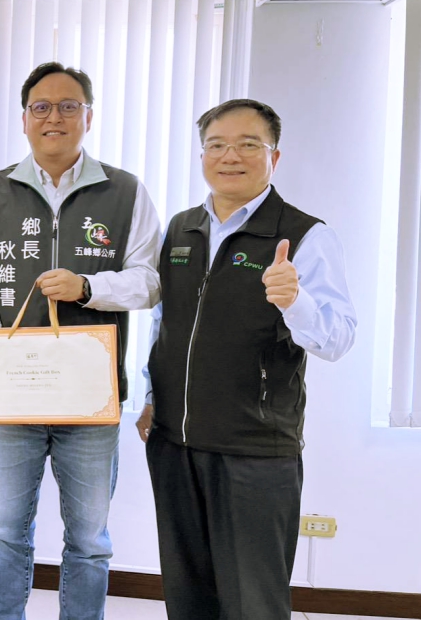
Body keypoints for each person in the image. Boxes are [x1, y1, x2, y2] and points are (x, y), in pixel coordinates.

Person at [137, 99, 357, 619]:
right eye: (216, 144)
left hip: (254, 452)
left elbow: (337, 338)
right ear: (202, 155)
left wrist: (294, 300)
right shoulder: (181, 228)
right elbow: (165, 322)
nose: (229, 156)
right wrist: (151, 395)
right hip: (173, 444)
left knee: (252, 602)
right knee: (188, 597)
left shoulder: (304, 234)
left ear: (274, 157)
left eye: (247, 144)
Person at [0, 62, 161, 620]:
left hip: (90, 399)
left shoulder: (125, 191)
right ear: (24, 118)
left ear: (88, 117)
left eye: (69, 106)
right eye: (41, 107)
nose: (54, 117)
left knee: (90, 538)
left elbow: (149, 281)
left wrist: (88, 287)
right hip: (13, 397)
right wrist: (2, 363)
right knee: (5, 529)